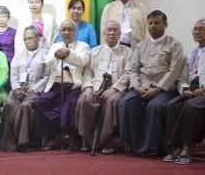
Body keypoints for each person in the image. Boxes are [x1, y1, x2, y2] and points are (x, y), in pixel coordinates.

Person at [118, 10, 185, 154]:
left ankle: (155, 146)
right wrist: (136, 87)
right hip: (142, 87)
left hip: (164, 89)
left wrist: (158, 89)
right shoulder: (141, 46)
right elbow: (133, 69)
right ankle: (135, 145)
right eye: (150, 23)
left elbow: (174, 71)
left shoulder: (174, 44)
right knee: (126, 102)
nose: (153, 26)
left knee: (155, 106)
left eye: (157, 23)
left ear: (165, 25)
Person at [75, 20, 132, 154]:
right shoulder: (95, 51)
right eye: (109, 30)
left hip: (117, 88)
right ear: (104, 33)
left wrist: (114, 89)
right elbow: (88, 72)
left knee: (112, 101)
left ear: (119, 33)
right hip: (97, 86)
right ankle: (89, 140)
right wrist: (88, 87)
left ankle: (106, 140)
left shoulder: (128, 52)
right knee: (84, 100)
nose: (111, 33)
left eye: (115, 30)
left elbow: (129, 73)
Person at [32, 20, 90, 150]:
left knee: (71, 103)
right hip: (56, 85)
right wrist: (57, 55)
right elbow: (47, 62)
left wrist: (68, 52)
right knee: (39, 103)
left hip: (73, 86)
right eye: (63, 29)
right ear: (60, 32)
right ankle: (54, 135)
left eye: (70, 29)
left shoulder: (83, 46)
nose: (66, 32)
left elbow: (82, 62)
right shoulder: (55, 45)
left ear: (76, 32)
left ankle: (71, 137)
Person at [163, 18, 205, 165]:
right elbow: (181, 77)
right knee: (172, 105)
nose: (197, 31)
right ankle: (175, 147)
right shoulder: (190, 53)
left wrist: (203, 90)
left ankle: (187, 147)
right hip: (192, 92)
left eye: (201, 28)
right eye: (195, 29)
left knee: (191, 107)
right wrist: (185, 89)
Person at [2, 25, 48, 152]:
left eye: (30, 38)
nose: (28, 41)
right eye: (25, 39)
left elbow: (47, 76)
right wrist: (16, 89)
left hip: (35, 90)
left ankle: (23, 142)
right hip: (19, 89)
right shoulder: (19, 55)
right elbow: (13, 75)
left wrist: (34, 88)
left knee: (26, 105)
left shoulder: (46, 54)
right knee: (10, 103)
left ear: (38, 39)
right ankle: (10, 142)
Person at [0, 5, 16, 93]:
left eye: (4, 16)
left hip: (9, 64)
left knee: (7, 87)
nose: (1, 19)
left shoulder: (13, 32)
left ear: (8, 17)